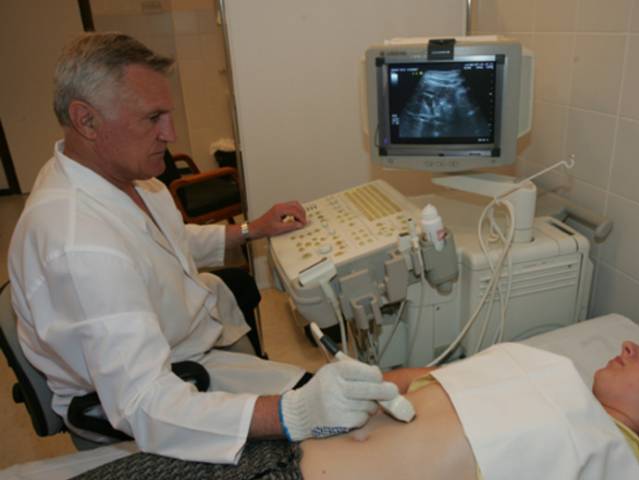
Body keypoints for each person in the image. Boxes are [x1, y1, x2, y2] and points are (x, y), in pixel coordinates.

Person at [7, 32, 399, 463]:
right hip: (161, 396)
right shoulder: (78, 245)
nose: (170, 134)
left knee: (345, 408)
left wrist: (250, 229)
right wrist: (296, 413)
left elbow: (169, 241)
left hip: (186, 350)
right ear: (86, 120)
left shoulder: (123, 180)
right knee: (338, 440)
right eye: (153, 118)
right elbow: (144, 406)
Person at [296, 341, 639, 480]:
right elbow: (419, 378)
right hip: (294, 438)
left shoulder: (622, 466)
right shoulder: (542, 370)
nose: (629, 346)